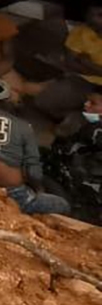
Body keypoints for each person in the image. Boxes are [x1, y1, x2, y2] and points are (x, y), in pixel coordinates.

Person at [0, 76, 70, 216]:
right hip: (15, 195)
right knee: (62, 204)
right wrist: (38, 190)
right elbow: (33, 171)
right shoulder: (22, 127)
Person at [33, 1, 102, 119]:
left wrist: (87, 63)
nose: (92, 19)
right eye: (90, 14)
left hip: (88, 76)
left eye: (99, 15)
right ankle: (82, 118)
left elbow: (77, 63)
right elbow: (71, 63)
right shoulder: (80, 32)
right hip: (83, 80)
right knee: (42, 102)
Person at [46, 90, 102, 222]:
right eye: (87, 101)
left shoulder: (94, 130)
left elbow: (67, 150)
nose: (86, 105)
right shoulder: (88, 128)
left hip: (88, 195)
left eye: (93, 103)